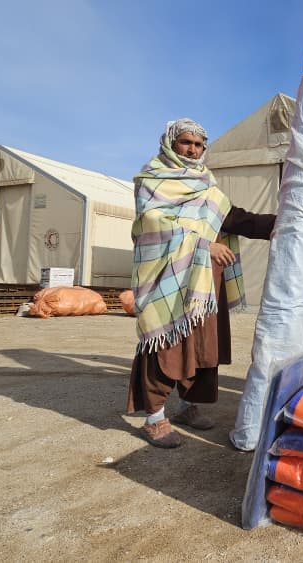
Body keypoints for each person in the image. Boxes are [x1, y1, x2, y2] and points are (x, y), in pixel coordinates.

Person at [127, 118, 275, 449]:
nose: (193, 149)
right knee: (164, 343)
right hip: (167, 280)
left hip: (204, 283)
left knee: (199, 345)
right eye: (186, 143)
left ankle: (187, 407)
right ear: (169, 143)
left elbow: (233, 217)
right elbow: (151, 224)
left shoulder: (205, 184)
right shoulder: (152, 180)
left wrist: (280, 224)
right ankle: (154, 417)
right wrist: (204, 245)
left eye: (198, 144)